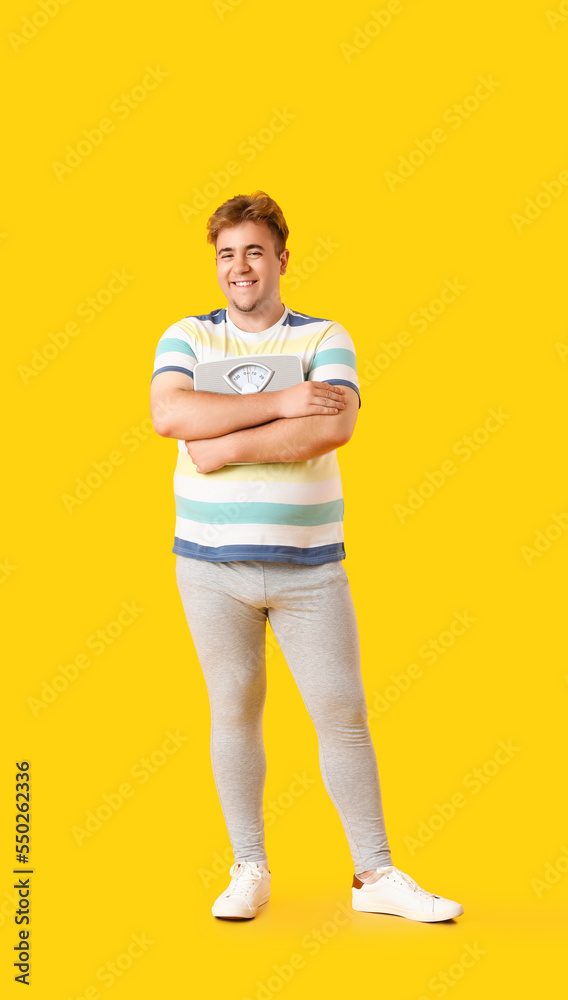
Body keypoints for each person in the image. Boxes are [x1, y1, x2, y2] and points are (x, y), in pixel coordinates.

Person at [150, 191, 464, 923]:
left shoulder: (326, 335)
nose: (240, 268)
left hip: (309, 567)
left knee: (342, 712)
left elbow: (332, 429)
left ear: (281, 259)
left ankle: (375, 875)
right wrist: (287, 402)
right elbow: (170, 416)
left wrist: (220, 444)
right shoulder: (187, 337)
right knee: (233, 711)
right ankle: (249, 867)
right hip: (210, 567)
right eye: (227, 254)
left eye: (254, 251)